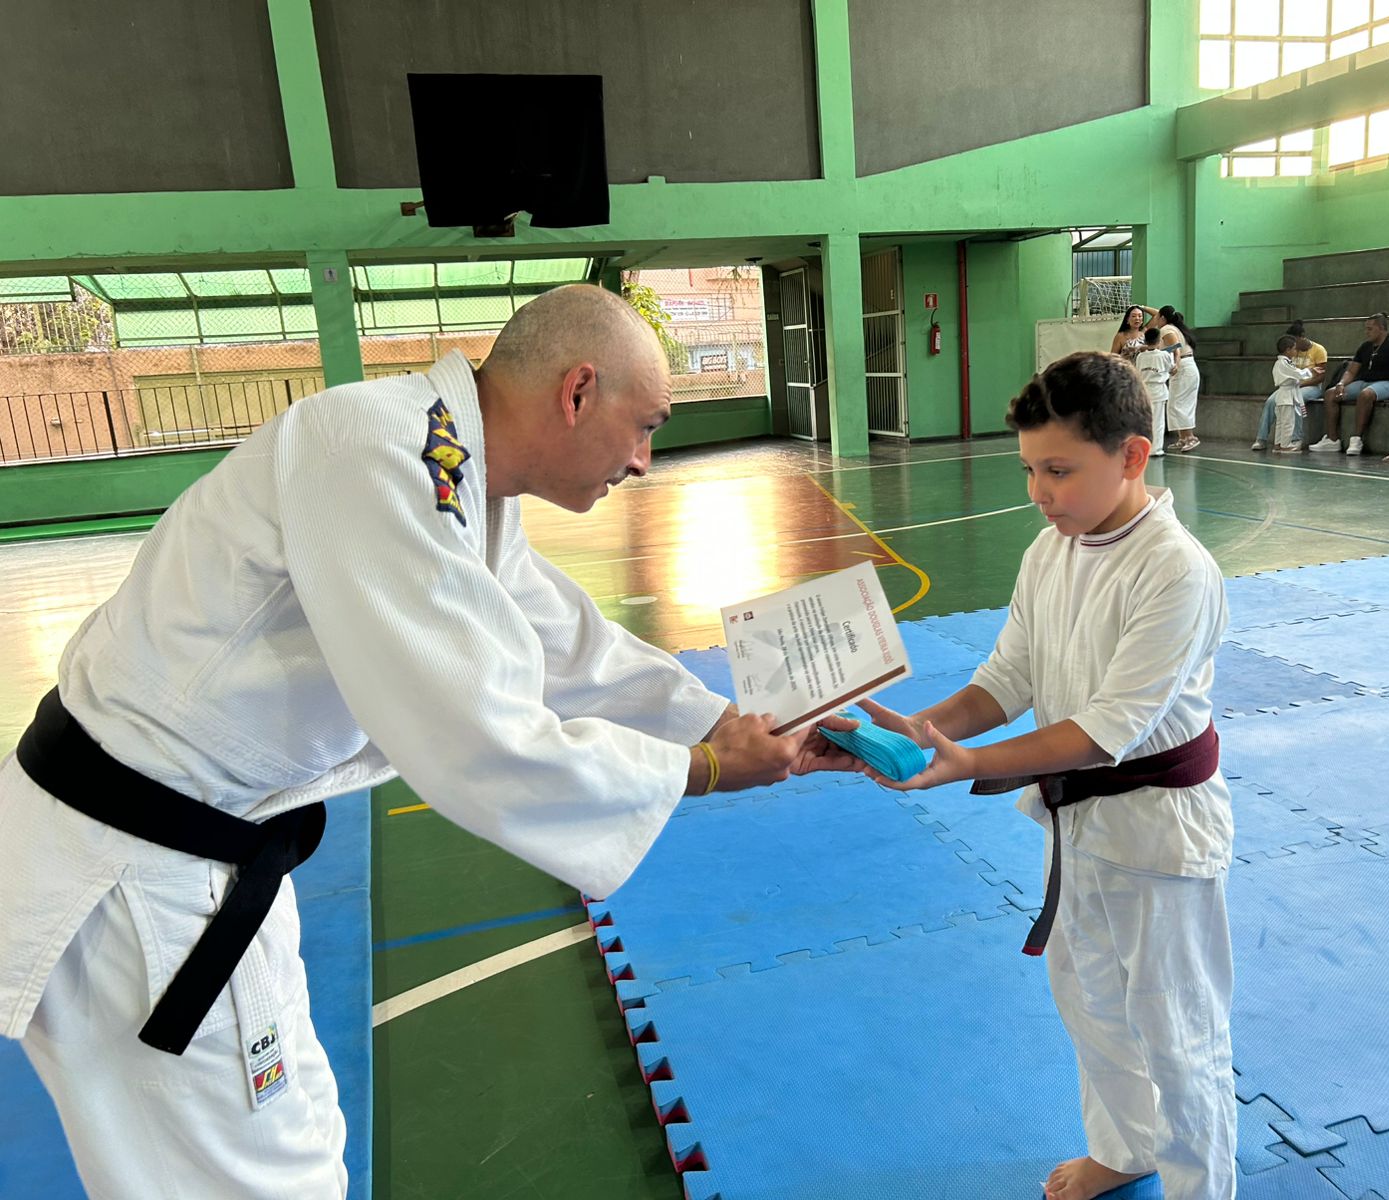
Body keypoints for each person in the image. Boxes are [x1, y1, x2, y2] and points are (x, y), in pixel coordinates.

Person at [0, 284, 855, 1199]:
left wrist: (715, 721)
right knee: (261, 1182)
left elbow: (557, 638)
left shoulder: (447, 465)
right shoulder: (377, 452)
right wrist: (707, 769)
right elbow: (478, 733)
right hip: (142, 880)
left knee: (301, 1142)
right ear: (576, 392)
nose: (644, 461)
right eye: (644, 428)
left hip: (200, 851)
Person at [852, 352, 1234, 1200]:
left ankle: (1201, 1190)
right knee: (1089, 999)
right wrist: (924, 731)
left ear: (1132, 456)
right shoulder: (1050, 550)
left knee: (1177, 1033)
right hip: (1076, 822)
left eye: (1058, 471)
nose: (1038, 492)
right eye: (1029, 470)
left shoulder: (1174, 570)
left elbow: (1105, 731)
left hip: (1160, 834)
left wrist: (970, 766)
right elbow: (1008, 678)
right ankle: (1127, 1148)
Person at [1310, 313, 1389, 456]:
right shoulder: (1365, 346)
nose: (1366, 332)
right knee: (1331, 394)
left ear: (1381, 328)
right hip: (1364, 381)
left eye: (1370, 329)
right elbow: (1351, 371)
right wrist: (1341, 383)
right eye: (1366, 329)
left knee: (1365, 395)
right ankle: (1332, 440)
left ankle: (1357, 439)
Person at [1252, 322, 1326, 451]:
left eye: (1294, 341)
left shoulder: (1319, 350)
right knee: (1271, 401)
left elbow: (1320, 377)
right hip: (1291, 386)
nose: (1294, 346)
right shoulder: (1286, 357)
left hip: (1311, 386)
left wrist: (1301, 383)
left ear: (1302, 337)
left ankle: (1295, 439)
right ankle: (1261, 438)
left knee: (1296, 402)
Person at [1152, 306, 1202, 452]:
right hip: (1186, 367)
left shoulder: (1166, 329)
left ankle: (1190, 437)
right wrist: (1141, 307)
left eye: (1157, 317)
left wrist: (1175, 362)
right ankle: (1182, 438)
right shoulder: (1174, 327)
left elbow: (1176, 348)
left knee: (1180, 404)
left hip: (1183, 367)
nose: (1155, 320)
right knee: (1175, 404)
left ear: (1163, 318)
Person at [1266, 334, 1313, 453]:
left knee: (1281, 422)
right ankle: (1286, 445)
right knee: (1288, 422)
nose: (1296, 351)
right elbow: (1297, 373)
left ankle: (1278, 443)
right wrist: (1309, 371)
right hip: (1286, 395)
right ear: (1288, 350)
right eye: (1294, 349)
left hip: (1283, 395)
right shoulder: (1284, 363)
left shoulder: (1282, 363)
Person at [1133, 340, 1174, 457]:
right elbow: (1172, 368)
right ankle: (1155, 449)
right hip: (1158, 390)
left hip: (1144, 390)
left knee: (1145, 420)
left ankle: (1144, 447)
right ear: (1158, 341)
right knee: (1158, 421)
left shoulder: (1140, 356)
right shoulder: (1164, 355)